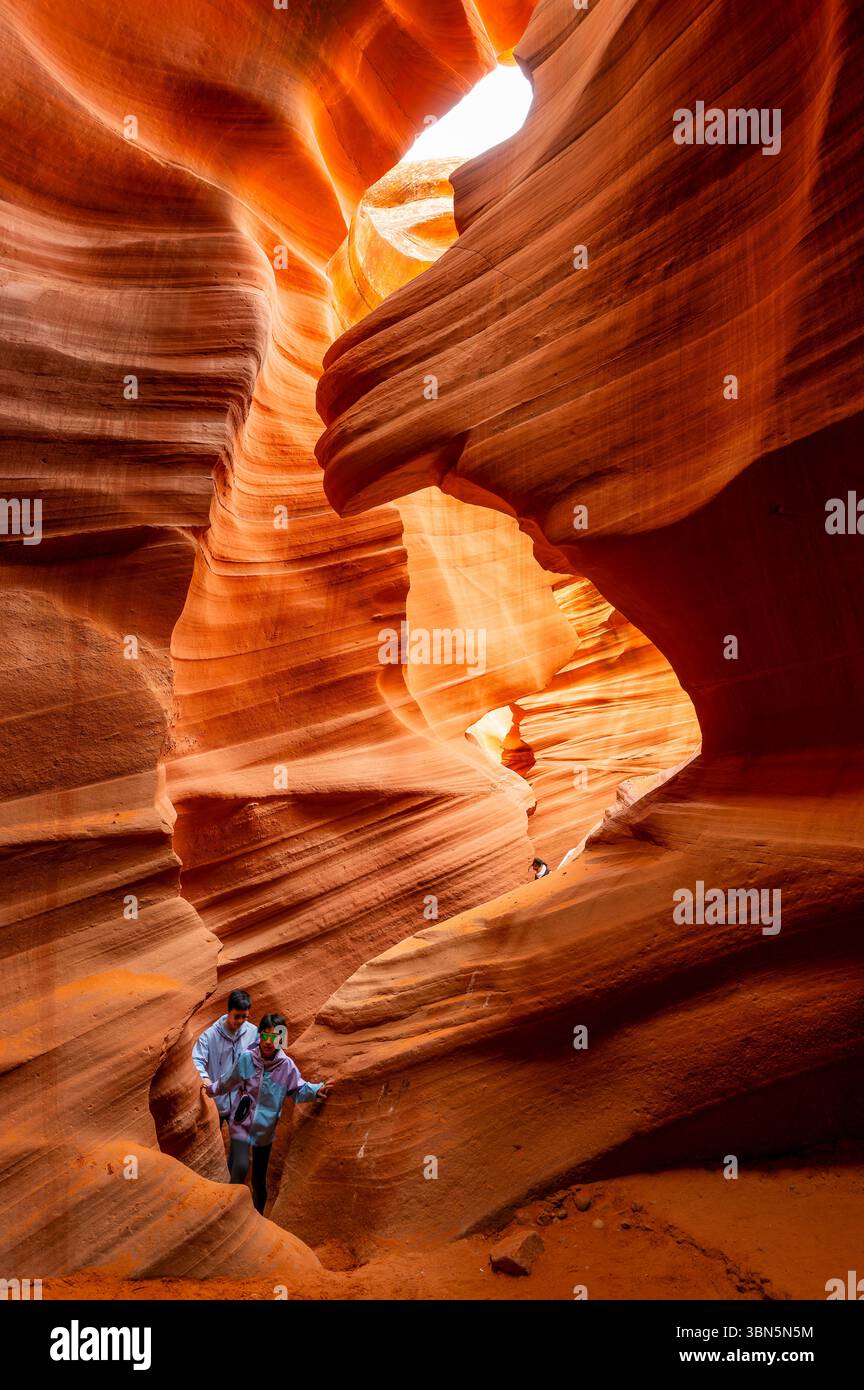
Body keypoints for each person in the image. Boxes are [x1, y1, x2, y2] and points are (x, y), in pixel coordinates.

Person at [205, 1013, 334, 1214]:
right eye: (265, 1036)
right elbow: (229, 1080)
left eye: (274, 1037)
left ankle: (258, 1218)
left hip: (265, 1127)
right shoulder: (248, 1058)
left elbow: (298, 1089)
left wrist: (317, 1090)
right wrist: (211, 1089)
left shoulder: (286, 1066)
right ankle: (230, 1213)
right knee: (238, 1167)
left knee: (258, 1178)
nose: (268, 1041)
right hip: (242, 1120)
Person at [192, 989, 257, 1174]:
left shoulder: (253, 1033)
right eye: (237, 1016)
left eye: (245, 1017)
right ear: (228, 1011)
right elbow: (197, 1059)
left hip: (241, 1103)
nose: (240, 1021)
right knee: (208, 1155)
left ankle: (233, 1192)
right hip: (215, 1103)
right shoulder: (210, 1036)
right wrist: (204, 1078)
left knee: (241, 1162)